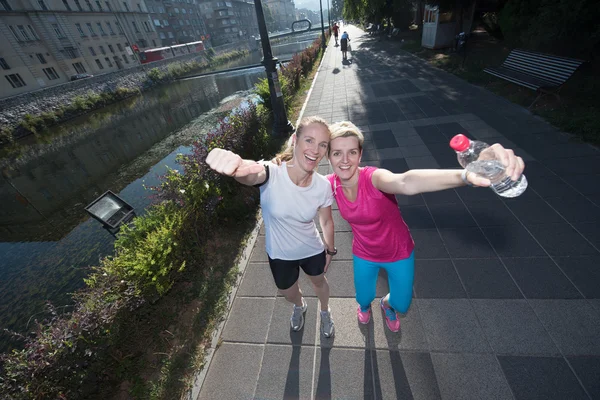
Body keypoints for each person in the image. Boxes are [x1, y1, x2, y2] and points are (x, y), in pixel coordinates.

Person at [326, 121, 525, 332]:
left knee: (402, 304)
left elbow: (405, 182)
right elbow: (298, 183)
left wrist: (465, 176)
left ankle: (386, 305)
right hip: (364, 253)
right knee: (363, 297)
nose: (345, 160)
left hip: (398, 252)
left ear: (360, 154)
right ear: (328, 156)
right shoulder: (329, 184)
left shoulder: (374, 178)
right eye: (337, 153)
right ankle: (365, 306)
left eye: (352, 152)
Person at [206, 116, 337, 338]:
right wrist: (237, 168)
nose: (315, 150)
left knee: (320, 283)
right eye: (309, 140)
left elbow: (326, 221)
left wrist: (330, 249)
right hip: (280, 254)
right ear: (295, 140)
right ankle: (299, 305)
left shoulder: (323, 186)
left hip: (312, 249)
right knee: (287, 293)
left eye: (322, 144)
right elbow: (252, 172)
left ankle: (325, 311)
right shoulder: (272, 172)